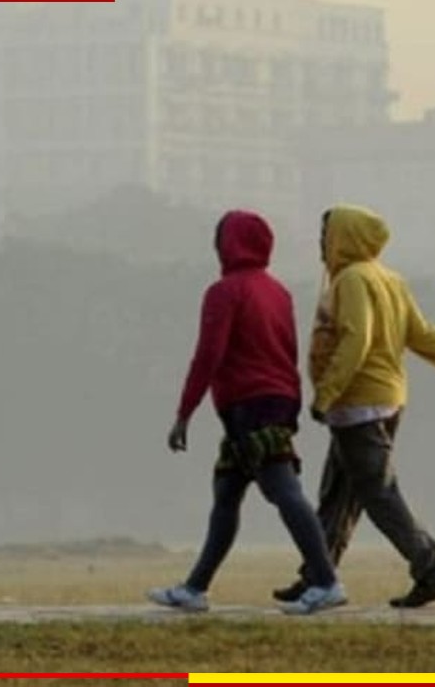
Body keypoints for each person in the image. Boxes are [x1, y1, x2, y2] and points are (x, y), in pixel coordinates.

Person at [272, 203, 435, 609]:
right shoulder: (389, 279)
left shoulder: (353, 280)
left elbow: (355, 339)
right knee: (338, 494)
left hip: (358, 403)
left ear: (346, 238)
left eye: (327, 235)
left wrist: (326, 395)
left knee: (377, 493)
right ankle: (316, 575)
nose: (322, 244)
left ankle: (433, 568)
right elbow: (423, 335)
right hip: (383, 400)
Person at [147, 209, 348, 616]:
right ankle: (195, 588)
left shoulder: (224, 292)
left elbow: (209, 354)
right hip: (274, 400)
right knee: (226, 494)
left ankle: (326, 581)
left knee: (283, 491)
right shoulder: (279, 292)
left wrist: (185, 412)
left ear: (228, 244)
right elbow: (288, 351)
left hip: (249, 406)